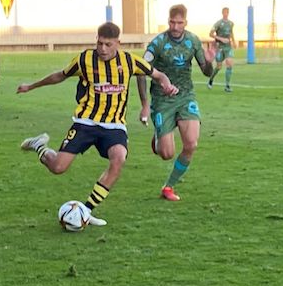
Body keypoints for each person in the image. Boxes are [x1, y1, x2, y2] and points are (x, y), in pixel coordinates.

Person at [17, 22, 178, 226]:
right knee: (58, 167)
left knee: (119, 158)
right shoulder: (85, 59)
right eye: (100, 43)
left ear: (118, 43)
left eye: (108, 44)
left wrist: (167, 85)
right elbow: (60, 75)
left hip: (114, 126)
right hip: (86, 122)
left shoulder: (130, 61)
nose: (102, 49)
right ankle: (39, 146)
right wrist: (31, 86)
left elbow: (158, 75)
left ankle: (86, 210)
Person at [139, 4, 214, 201]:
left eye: (179, 23)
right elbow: (140, 71)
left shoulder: (193, 40)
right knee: (166, 154)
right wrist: (145, 104)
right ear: (168, 21)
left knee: (191, 144)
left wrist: (209, 62)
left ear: (185, 23)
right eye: (172, 22)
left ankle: (169, 187)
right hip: (162, 100)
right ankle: (158, 140)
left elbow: (206, 72)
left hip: (185, 96)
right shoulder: (158, 43)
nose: (175, 26)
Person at [207, 7, 237, 92]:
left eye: (227, 12)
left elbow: (231, 33)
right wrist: (221, 39)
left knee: (229, 63)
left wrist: (234, 42)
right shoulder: (218, 23)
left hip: (228, 47)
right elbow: (211, 34)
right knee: (219, 66)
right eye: (224, 12)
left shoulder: (231, 23)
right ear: (222, 13)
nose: (226, 14)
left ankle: (227, 86)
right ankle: (211, 80)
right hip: (219, 47)